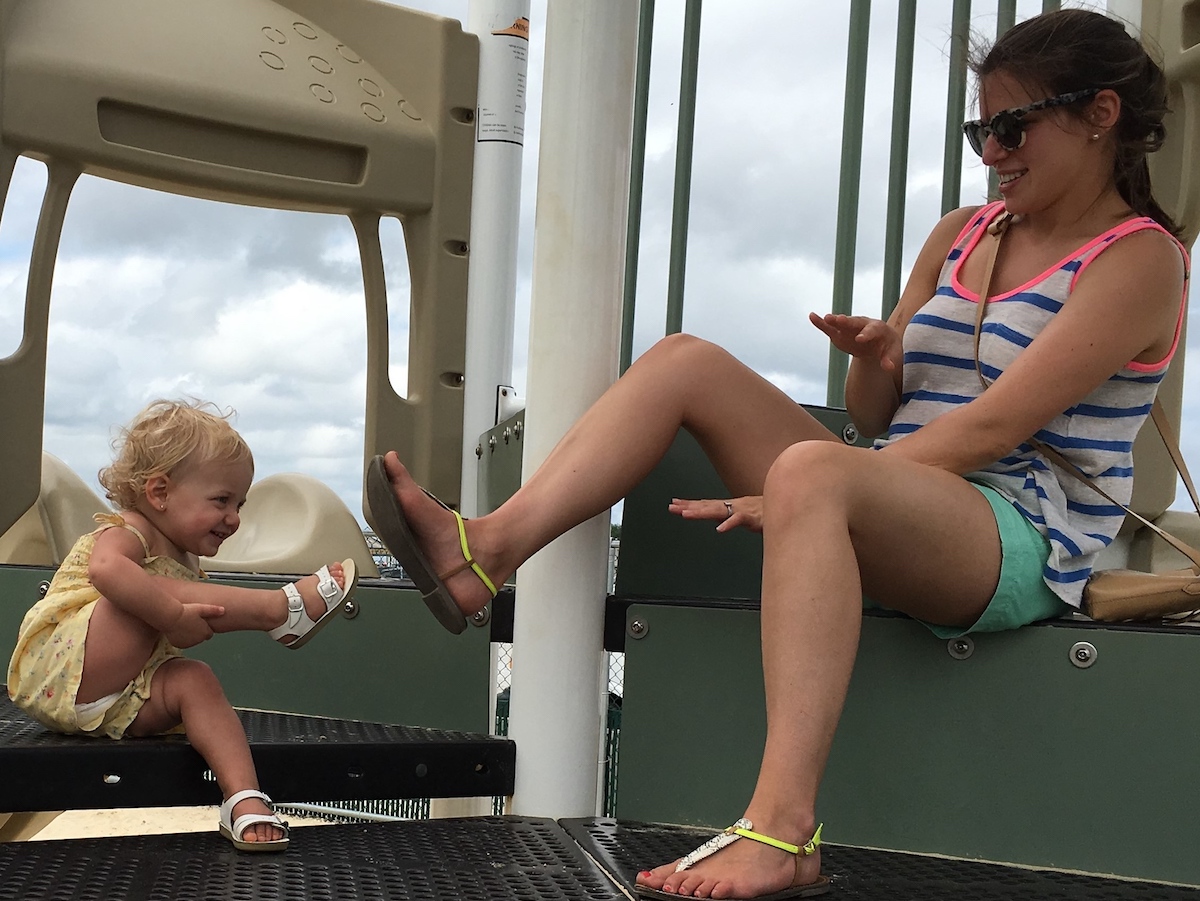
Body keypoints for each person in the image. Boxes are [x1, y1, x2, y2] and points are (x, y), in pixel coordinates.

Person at [366, 8, 1188, 899]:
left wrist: (813, 487)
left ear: (1101, 114)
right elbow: (874, 413)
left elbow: (991, 430)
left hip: (1019, 534)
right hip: (903, 493)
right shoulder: (964, 232)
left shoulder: (1142, 260)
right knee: (686, 361)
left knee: (810, 470)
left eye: (1012, 126)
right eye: (978, 129)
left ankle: (783, 828)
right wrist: (877, 358)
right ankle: (485, 550)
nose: (991, 152)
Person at [7, 400, 359, 852]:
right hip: (63, 668)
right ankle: (279, 611)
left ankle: (242, 797)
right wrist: (172, 617)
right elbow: (106, 572)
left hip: (118, 700)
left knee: (195, 679)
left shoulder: (184, 558)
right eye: (221, 500)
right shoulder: (130, 531)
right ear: (159, 493)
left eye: (240, 504)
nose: (234, 518)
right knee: (146, 590)